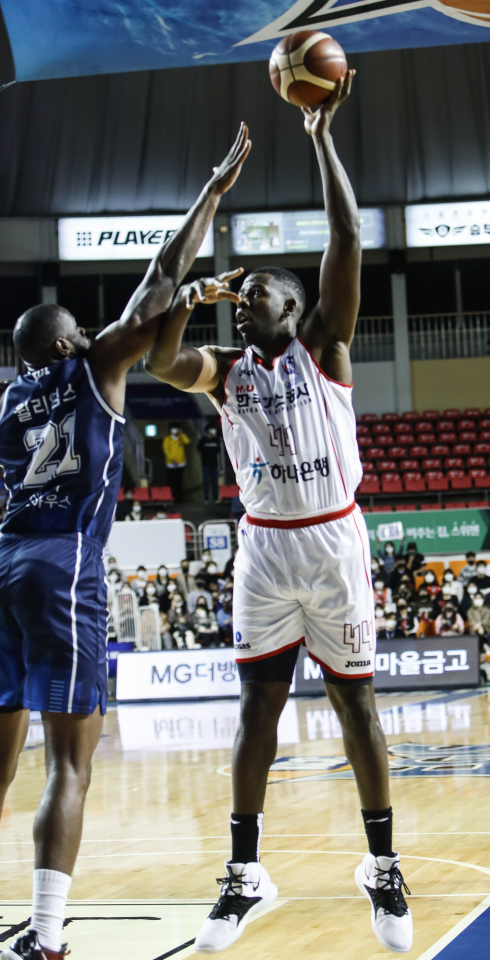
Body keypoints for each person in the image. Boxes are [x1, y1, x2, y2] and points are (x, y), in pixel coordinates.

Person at [145, 75, 412, 954]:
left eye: (263, 289)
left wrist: (320, 136)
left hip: (334, 541)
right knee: (257, 711)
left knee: (356, 709)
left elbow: (344, 234)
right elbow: (159, 358)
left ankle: (382, 866)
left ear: (295, 307)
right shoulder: (224, 368)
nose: (249, 294)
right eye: (245, 288)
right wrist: (191, 295)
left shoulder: (325, 346)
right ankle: (245, 871)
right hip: (265, 549)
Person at [0, 122, 251, 960]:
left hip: (3, 561)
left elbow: (162, 299)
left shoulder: (6, 405)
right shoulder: (94, 364)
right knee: (70, 763)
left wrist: (183, 301)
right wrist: (212, 192)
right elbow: (153, 285)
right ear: (70, 342)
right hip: (64, 562)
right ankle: (44, 937)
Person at [163, 421, 190, 503]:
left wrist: (181, 434)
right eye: (173, 428)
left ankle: (179, 500)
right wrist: (172, 459)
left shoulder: (180, 438)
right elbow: (166, 450)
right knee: (170, 482)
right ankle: (170, 498)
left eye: (176, 428)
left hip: (181, 464)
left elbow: (187, 441)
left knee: (179, 482)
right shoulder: (167, 439)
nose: (174, 430)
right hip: (171, 465)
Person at [198, 421, 221, 503]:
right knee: (206, 482)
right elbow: (199, 452)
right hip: (206, 464)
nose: (213, 431)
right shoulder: (203, 441)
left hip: (215, 464)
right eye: (211, 429)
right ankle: (206, 499)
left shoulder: (216, 440)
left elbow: (218, 451)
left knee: (215, 482)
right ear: (207, 430)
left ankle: (215, 498)